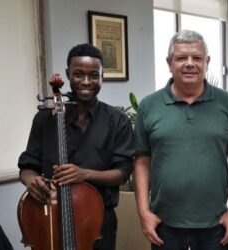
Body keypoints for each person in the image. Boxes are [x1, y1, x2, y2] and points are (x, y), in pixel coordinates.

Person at [134, 30, 228, 250]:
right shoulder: (149, 106)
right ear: (169, 63)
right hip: (163, 224)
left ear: (207, 62)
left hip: (216, 224)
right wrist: (143, 212)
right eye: (181, 58)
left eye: (196, 58)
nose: (189, 64)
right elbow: (141, 162)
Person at [18, 43, 135, 250]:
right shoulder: (45, 119)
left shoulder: (117, 121)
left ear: (102, 77)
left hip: (97, 222)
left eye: (93, 75)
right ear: (68, 74)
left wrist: (84, 174)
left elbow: (122, 173)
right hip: (49, 217)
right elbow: (28, 166)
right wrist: (31, 181)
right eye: (78, 74)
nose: (86, 82)